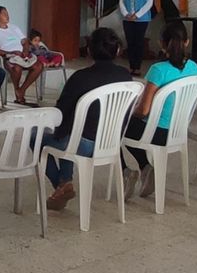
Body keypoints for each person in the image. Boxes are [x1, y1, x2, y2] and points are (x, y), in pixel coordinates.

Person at [40, 27, 134, 211]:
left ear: (89, 50)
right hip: (111, 142)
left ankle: (62, 184)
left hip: (83, 144)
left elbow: (59, 113)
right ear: (117, 50)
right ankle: (64, 184)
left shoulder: (80, 78)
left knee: (36, 136)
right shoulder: (125, 76)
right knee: (68, 131)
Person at [124, 21, 197, 198]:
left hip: (157, 132)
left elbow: (143, 111)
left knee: (117, 125)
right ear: (187, 42)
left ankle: (134, 169)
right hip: (178, 130)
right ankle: (145, 169)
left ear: (161, 43)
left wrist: (128, 112)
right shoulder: (194, 67)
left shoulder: (158, 70)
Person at [0, 5, 42, 106]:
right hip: (8, 57)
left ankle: (21, 90)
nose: (7, 16)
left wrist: (25, 51)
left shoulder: (14, 28)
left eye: (7, 13)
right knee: (16, 68)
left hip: (22, 56)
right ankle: (18, 92)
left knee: (39, 66)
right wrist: (10, 53)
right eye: (4, 14)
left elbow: (25, 41)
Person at [119, 0, 154, 75]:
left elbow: (149, 2)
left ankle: (137, 67)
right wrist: (126, 13)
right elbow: (121, 1)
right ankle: (131, 66)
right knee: (130, 42)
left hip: (142, 19)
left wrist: (137, 15)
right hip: (128, 18)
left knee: (139, 42)